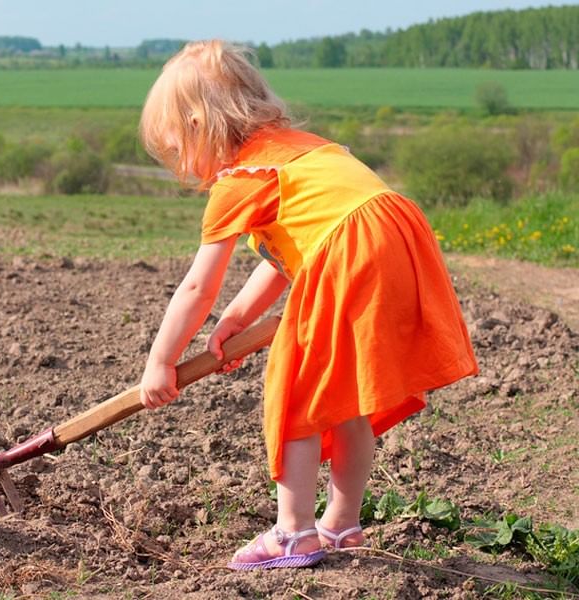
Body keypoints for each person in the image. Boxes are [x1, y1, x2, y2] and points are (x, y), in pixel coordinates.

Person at [137, 40, 479, 571]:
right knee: (344, 397)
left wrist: (161, 361)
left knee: (297, 392)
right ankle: (341, 523)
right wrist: (236, 321)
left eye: (179, 146)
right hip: (395, 235)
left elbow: (196, 287)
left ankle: (292, 533)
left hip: (350, 249)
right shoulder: (307, 150)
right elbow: (280, 259)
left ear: (202, 126)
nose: (185, 163)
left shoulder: (243, 178)